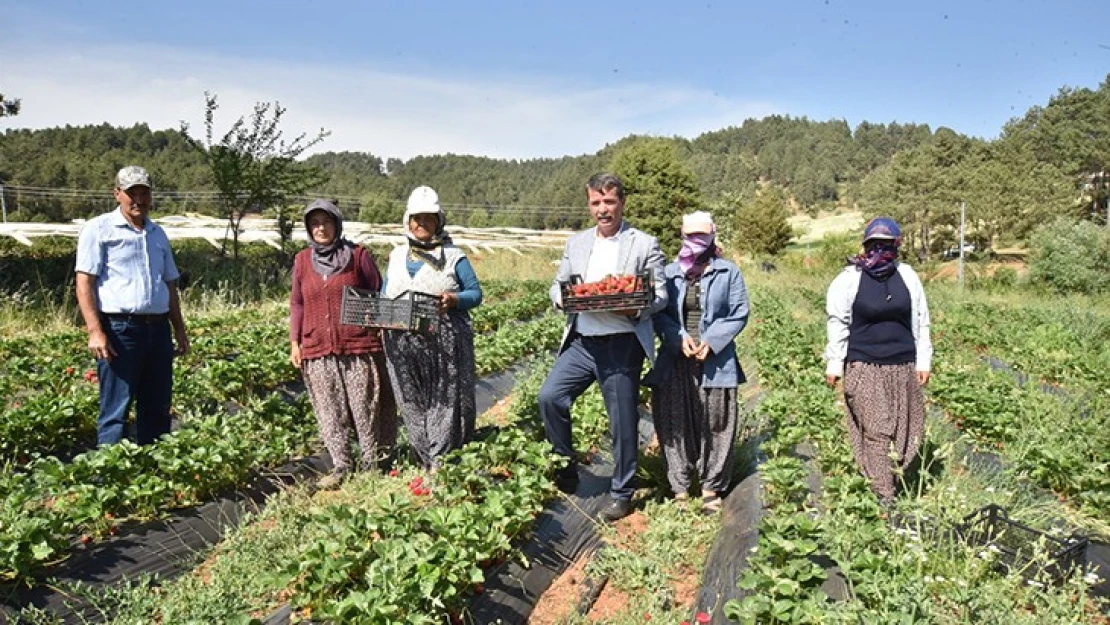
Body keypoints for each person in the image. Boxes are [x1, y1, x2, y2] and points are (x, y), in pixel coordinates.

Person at [538, 172, 667, 523]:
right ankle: (566, 468)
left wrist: (634, 307)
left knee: (623, 421)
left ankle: (622, 492)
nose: (602, 209)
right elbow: (557, 285)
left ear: (622, 203)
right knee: (550, 398)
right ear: (589, 204)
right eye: (596, 202)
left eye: (609, 201)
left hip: (622, 343)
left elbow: (660, 295)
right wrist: (563, 301)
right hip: (582, 341)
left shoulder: (644, 244)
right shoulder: (576, 243)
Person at [75, 166, 189, 446]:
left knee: (157, 405)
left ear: (151, 197)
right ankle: (109, 478)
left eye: (144, 193)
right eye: (131, 193)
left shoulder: (157, 233)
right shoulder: (98, 229)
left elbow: (170, 286)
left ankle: (153, 470)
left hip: (158, 329)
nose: (138, 199)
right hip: (120, 330)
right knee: (116, 407)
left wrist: (180, 331)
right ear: (117, 195)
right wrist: (95, 331)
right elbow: (84, 283)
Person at [824, 217, 932, 505]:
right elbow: (838, 322)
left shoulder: (907, 276)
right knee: (876, 430)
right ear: (865, 246)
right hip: (864, 366)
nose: (880, 251)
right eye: (875, 245)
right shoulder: (848, 279)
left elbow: (921, 320)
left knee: (907, 431)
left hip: (903, 366)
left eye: (887, 245)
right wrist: (835, 362)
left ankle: (887, 478)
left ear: (896, 246)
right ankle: (884, 496)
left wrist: (924, 360)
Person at [647, 211, 750, 514]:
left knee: (717, 422)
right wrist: (677, 337)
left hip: (715, 359)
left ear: (713, 235)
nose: (696, 241)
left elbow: (739, 312)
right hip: (675, 358)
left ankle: (711, 487)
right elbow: (658, 313)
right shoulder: (668, 273)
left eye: (702, 235)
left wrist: (713, 341)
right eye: (690, 235)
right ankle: (679, 487)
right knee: (674, 421)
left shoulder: (727, 272)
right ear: (682, 235)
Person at [290, 199, 397, 488]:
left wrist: (377, 327)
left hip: (357, 345)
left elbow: (377, 293)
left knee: (364, 406)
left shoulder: (357, 255)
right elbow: (297, 304)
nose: (320, 228)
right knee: (329, 409)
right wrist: (295, 342)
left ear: (337, 224)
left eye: (326, 222)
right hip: (318, 348)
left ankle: (372, 461)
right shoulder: (302, 261)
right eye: (314, 223)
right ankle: (341, 465)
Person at [382, 186, 483, 470]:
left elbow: (475, 294)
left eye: (428, 217)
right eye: (416, 218)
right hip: (401, 344)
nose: (421, 223)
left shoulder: (454, 256)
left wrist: (454, 300)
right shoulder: (397, 255)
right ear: (407, 220)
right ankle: (423, 456)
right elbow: (383, 293)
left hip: (445, 342)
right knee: (410, 400)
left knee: (443, 400)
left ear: (439, 221)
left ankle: (441, 461)